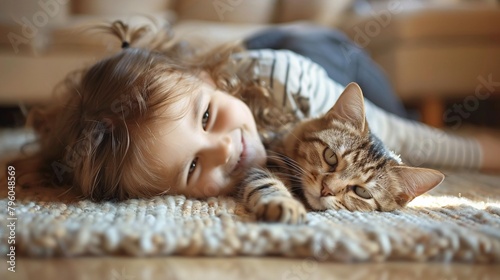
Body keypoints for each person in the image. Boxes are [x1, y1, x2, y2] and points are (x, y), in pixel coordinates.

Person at [12, 21, 500, 201]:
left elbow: (420, 144)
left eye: (205, 118)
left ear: (206, 81)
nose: (226, 147)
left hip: (320, 56)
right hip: (268, 68)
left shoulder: (292, 85)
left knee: (399, 134)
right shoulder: (214, 119)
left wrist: (482, 151)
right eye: (191, 166)